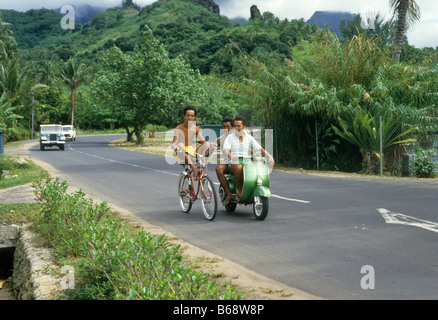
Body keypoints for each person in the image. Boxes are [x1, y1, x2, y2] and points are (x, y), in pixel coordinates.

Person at [223, 115, 275, 203]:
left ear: (244, 126)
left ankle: (252, 188)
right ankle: (240, 190)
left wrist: (269, 156)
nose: (236, 128)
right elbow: (226, 149)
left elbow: (260, 149)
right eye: (235, 126)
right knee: (237, 165)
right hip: (235, 162)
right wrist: (230, 155)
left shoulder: (249, 138)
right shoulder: (230, 137)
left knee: (258, 167)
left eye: (238, 126)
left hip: (248, 162)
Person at [171, 105, 211, 178]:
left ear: (194, 117)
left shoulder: (195, 128)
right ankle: (193, 168)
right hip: (181, 152)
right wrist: (176, 148)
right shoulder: (179, 128)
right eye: (188, 115)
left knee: (207, 144)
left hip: (191, 152)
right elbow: (173, 144)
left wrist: (212, 144)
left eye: (192, 116)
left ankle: (202, 166)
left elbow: (203, 141)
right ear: (184, 116)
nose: (190, 117)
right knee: (180, 144)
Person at [215, 117, 234, 205]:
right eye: (224, 127)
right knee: (219, 169)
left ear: (233, 127)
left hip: (241, 161)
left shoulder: (239, 137)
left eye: (228, 126)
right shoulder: (220, 139)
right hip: (227, 162)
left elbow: (250, 148)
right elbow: (212, 147)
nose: (226, 129)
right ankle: (229, 193)